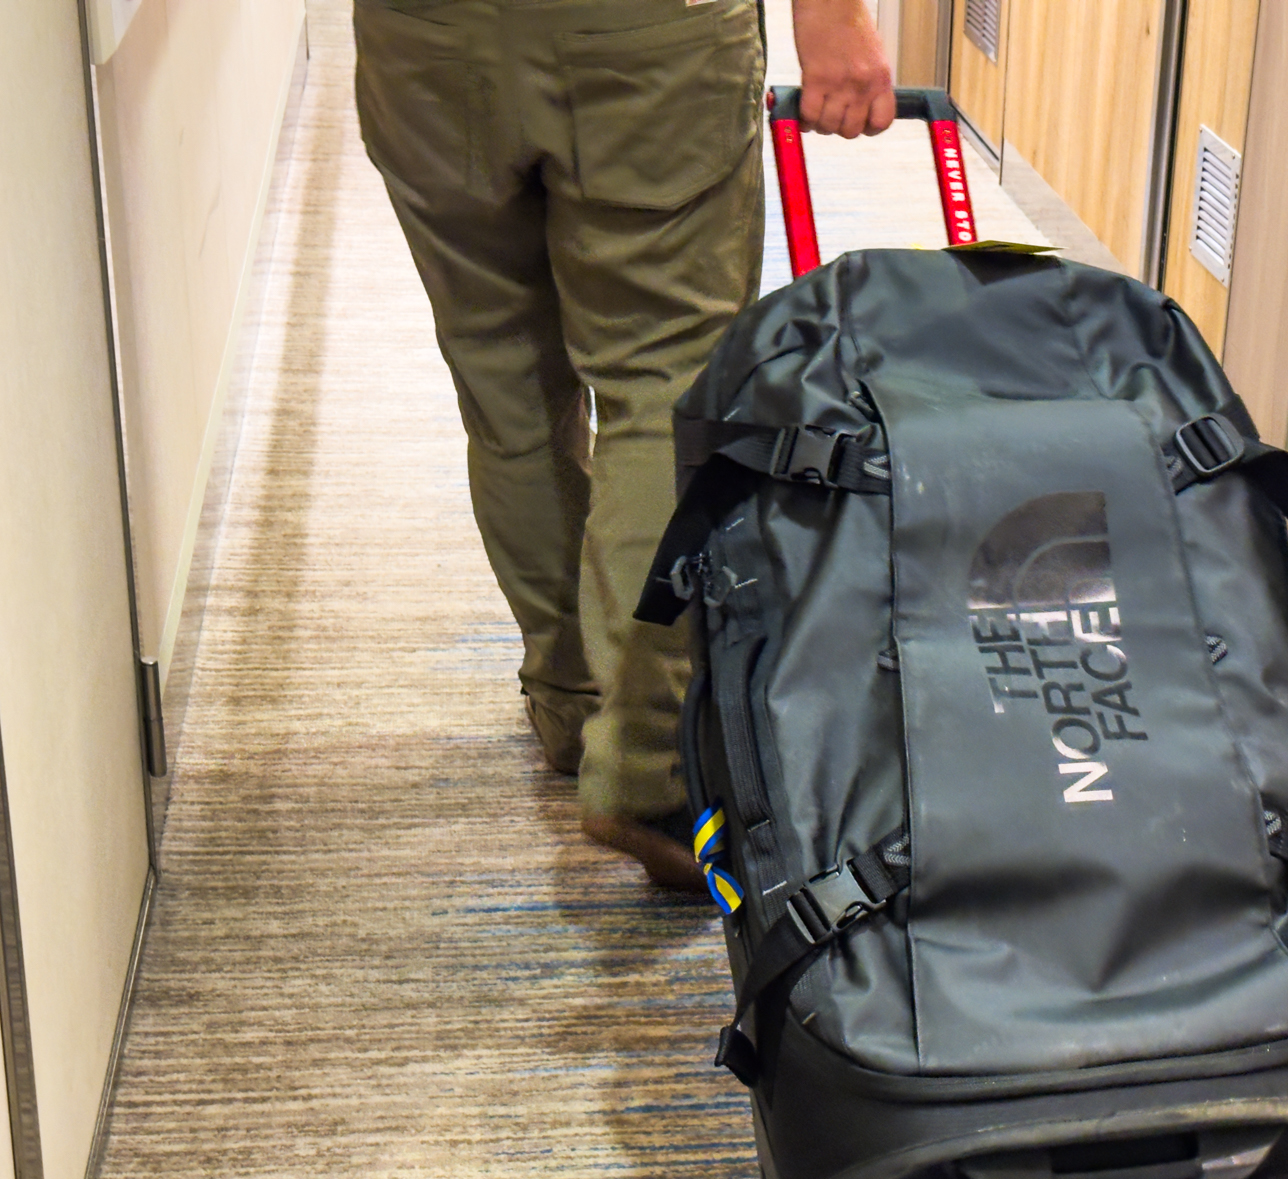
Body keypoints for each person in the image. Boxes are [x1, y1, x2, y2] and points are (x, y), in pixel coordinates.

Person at [354, 0, 894, 888]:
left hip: (422, 38)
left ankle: (572, 703)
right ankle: (648, 765)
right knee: (662, 382)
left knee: (509, 392)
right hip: (643, 35)